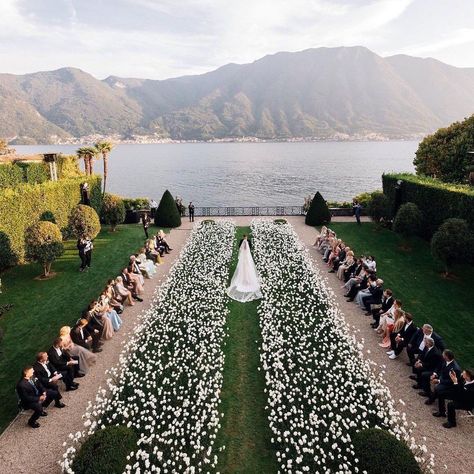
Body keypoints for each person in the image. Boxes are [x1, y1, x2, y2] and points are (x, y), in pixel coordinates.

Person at [227, 235, 262, 302]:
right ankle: (247, 280)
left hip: (243, 259)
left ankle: (244, 280)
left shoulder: (242, 246)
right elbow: (249, 247)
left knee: (243, 270)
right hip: (247, 259)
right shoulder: (248, 247)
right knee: (247, 269)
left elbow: (240, 248)